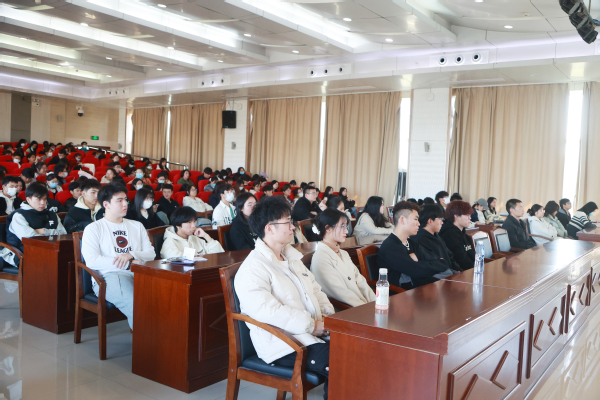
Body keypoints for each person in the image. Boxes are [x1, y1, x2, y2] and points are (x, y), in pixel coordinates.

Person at [235, 196, 333, 399]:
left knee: (357, 351)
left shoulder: (292, 257)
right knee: (343, 362)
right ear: (269, 228)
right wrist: (312, 326)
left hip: (312, 333)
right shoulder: (252, 268)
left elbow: (315, 290)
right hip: (283, 343)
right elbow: (268, 312)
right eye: (287, 222)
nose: (292, 227)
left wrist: (328, 318)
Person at [81, 183, 155, 330]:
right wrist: (128, 264)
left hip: (141, 273)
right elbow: (92, 260)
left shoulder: (137, 226)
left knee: (166, 298)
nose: (125, 204)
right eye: (119, 200)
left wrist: (131, 255)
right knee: (137, 304)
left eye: (125, 199)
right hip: (109, 277)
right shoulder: (94, 228)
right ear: (106, 204)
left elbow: (151, 254)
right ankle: (147, 342)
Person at [378, 201, 453, 290]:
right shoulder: (391, 247)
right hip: (401, 293)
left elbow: (439, 260)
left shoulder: (411, 242)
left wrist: (417, 255)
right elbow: (417, 271)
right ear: (402, 220)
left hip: (420, 288)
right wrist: (439, 263)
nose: (419, 223)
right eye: (415, 219)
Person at [311, 209, 376, 307]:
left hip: (364, 306)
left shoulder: (343, 253)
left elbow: (361, 282)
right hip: (348, 310)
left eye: (346, 226)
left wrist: (375, 302)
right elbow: (341, 293)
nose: (346, 231)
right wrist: (366, 308)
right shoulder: (320, 258)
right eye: (342, 226)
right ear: (328, 228)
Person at [2, 183, 67, 267]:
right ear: (28, 199)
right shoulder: (19, 215)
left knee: (67, 260)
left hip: (50, 250)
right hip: (22, 253)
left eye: (45, 199)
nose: (42, 203)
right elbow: (31, 239)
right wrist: (53, 234)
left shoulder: (52, 215)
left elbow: (64, 235)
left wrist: (44, 231)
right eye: (38, 199)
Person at [413, 205, 462, 272]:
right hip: (439, 276)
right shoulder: (419, 239)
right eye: (440, 219)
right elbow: (430, 266)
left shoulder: (436, 236)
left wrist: (457, 269)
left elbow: (449, 256)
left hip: (449, 273)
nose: (442, 222)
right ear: (430, 221)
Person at [439, 201, 476, 271]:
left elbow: (472, 255)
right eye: (467, 215)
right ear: (456, 216)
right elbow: (460, 259)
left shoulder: (464, 234)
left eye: (470, 215)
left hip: (470, 270)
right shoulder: (449, 234)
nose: (470, 218)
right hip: (460, 272)